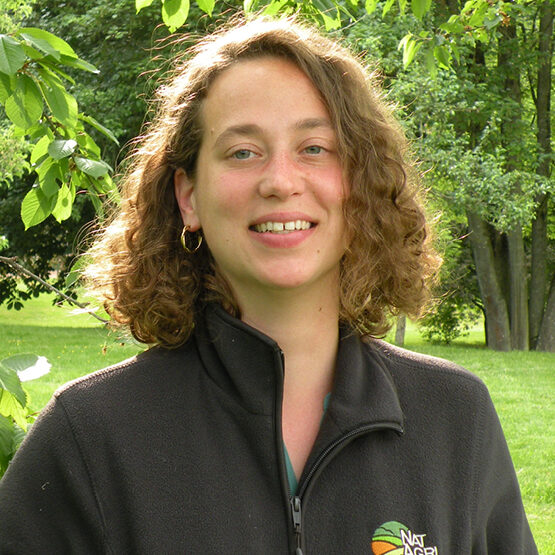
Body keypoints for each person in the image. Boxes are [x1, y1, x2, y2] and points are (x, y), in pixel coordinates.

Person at [0, 15, 537, 554]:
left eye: (315, 148)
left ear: (360, 183)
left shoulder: (456, 420)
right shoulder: (90, 436)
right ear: (189, 197)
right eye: (242, 152)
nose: (280, 181)